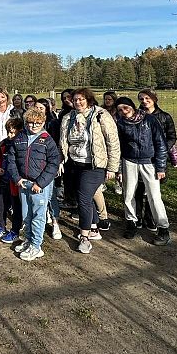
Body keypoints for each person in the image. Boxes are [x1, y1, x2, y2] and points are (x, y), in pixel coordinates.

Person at [59, 88, 120, 255]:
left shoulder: (101, 116)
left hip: (94, 165)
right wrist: (61, 160)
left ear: (89, 100)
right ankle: (94, 228)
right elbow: (63, 142)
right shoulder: (68, 118)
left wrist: (113, 167)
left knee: (83, 198)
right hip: (74, 164)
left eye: (81, 99)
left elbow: (113, 142)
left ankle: (84, 237)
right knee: (86, 196)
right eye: (75, 99)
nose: (78, 102)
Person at [6, 106, 60, 262]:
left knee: (38, 215)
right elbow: (11, 159)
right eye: (30, 123)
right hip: (24, 183)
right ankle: (28, 240)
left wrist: (41, 183)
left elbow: (53, 164)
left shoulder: (47, 140)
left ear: (42, 122)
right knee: (26, 214)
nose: (33, 126)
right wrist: (17, 178)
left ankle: (36, 246)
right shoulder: (20, 137)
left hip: (39, 185)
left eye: (37, 123)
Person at [115, 97, 171, 245]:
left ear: (132, 107)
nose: (123, 112)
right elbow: (118, 146)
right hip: (129, 161)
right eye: (120, 110)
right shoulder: (120, 123)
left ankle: (163, 228)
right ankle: (131, 222)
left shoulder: (150, 120)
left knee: (154, 196)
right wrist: (119, 169)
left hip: (149, 161)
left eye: (125, 108)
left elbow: (160, 143)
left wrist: (161, 167)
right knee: (128, 194)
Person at [135, 88, 177, 231]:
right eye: (141, 99)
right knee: (138, 190)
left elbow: (172, 136)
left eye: (147, 98)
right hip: (140, 158)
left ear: (154, 99)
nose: (144, 101)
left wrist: (163, 149)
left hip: (157, 158)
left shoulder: (165, 117)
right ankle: (137, 217)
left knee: (153, 191)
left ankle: (150, 217)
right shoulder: (135, 116)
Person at [0, 117, 24, 243]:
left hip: (15, 183)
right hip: (2, 180)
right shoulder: (3, 144)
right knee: (0, 205)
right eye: (8, 131)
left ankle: (15, 230)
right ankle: (0, 227)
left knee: (16, 208)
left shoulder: (23, 145)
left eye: (13, 132)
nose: (10, 135)